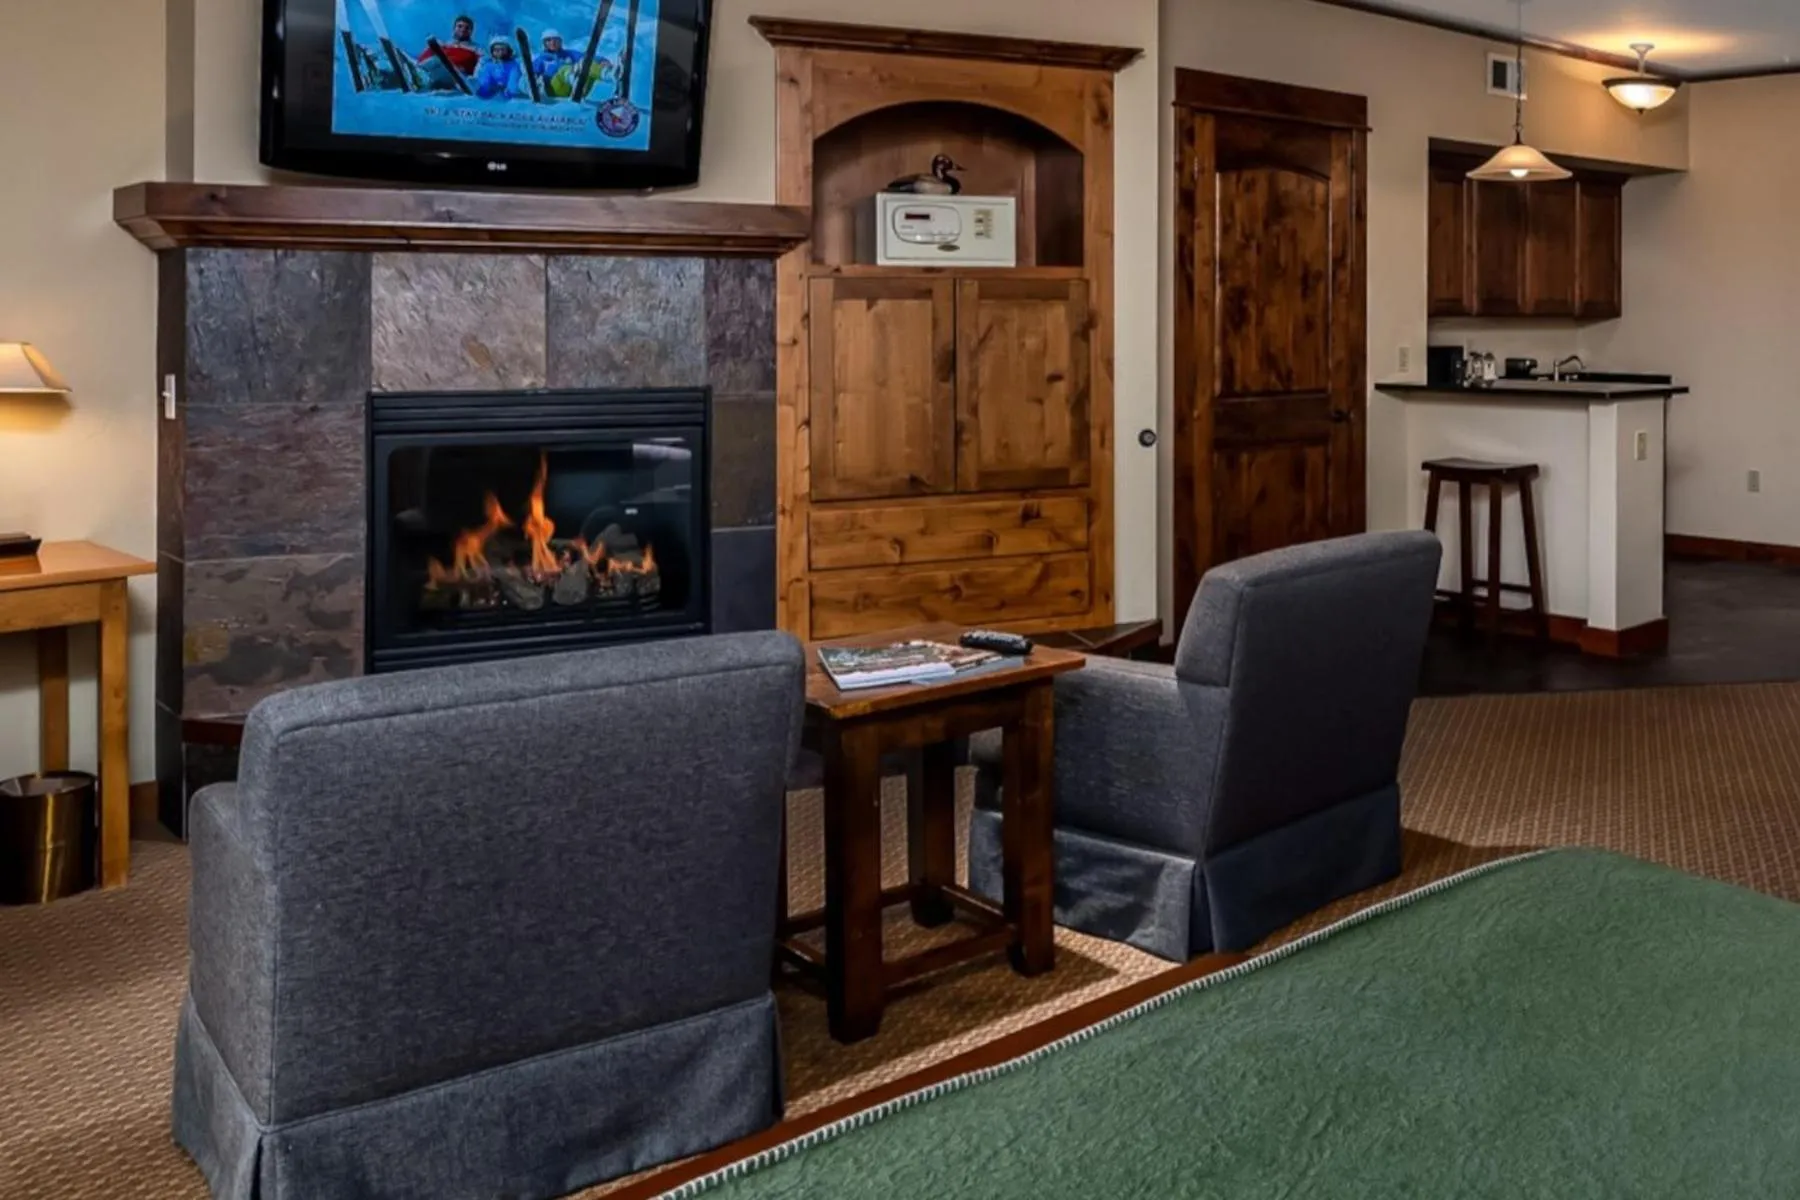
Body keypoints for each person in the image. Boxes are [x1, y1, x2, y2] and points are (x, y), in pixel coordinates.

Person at [472, 34, 526, 100]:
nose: (499, 52)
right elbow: (485, 80)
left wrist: (508, 90)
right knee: (482, 88)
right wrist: (487, 88)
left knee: (514, 89)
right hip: (490, 94)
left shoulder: (514, 65)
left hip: (509, 95)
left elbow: (513, 81)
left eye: (502, 49)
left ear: (510, 51)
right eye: (496, 50)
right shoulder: (488, 66)